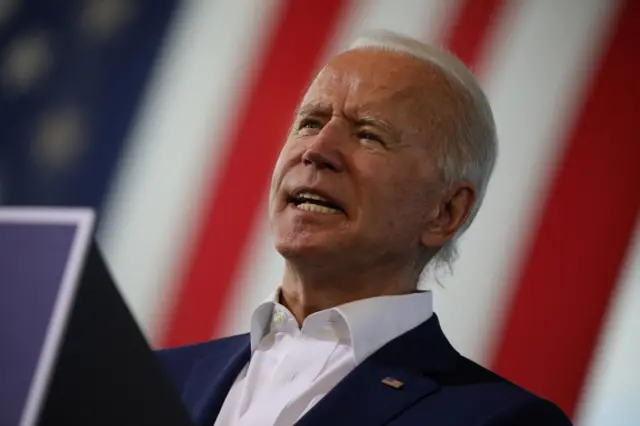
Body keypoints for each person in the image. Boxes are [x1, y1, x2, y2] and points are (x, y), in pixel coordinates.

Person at [157, 31, 572, 426]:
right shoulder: (155, 380)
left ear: (445, 211)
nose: (317, 150)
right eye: (310, 123)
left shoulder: (497, 419)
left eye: (369, 135)